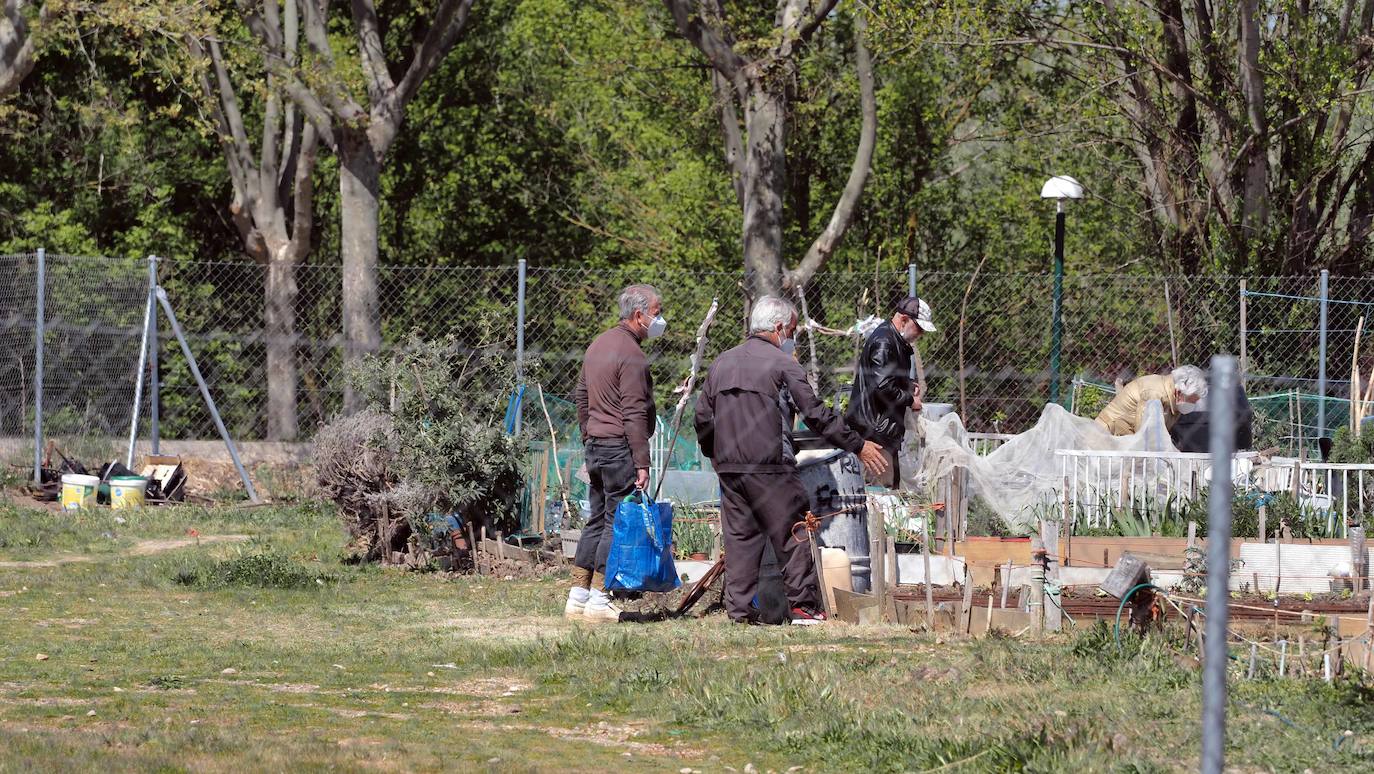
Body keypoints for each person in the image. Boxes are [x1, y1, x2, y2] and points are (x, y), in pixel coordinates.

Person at [695, 295, 888, 625]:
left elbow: (702, 416)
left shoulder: (722, 362)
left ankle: (739, 613)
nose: (792, 338)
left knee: (740, 539)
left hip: (731, 469)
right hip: (771, 466)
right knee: (794, 532)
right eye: (793, 330)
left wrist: (715, 454)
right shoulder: (784, 364)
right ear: (780, 327)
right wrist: (857, 445)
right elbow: (814, 413)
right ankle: (803, 608)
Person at [566, 284, 665, 623]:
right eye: (657, 310)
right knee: (615, 521)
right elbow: (635, 411)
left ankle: (577, 597)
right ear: (640, 315)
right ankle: (599, 599)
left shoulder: (598, 345)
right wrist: (642, 461)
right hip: (619, 448)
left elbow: (581, 396)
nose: (660, 318)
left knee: (595, 519)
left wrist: (587, 434)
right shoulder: (632, 355)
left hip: (595, 446)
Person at [845, 296, 936, 487]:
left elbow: (886, 378)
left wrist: (908, 384)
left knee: (888, 489)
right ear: (904, 320)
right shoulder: (884, 343)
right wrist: (911, 400)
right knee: (880, 494)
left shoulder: (894, 340)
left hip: (882, 430)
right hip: (875, 433)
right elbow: (882, 386)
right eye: (919, 328)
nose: (920, 334)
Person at [1095, 365, 1208, 436]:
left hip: (1123, 437)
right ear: (1179, 392)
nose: (1194, 405)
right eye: (1192, 400)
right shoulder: (1155, 393)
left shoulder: (1174, 401)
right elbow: (1143, 435)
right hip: (1107, 435)